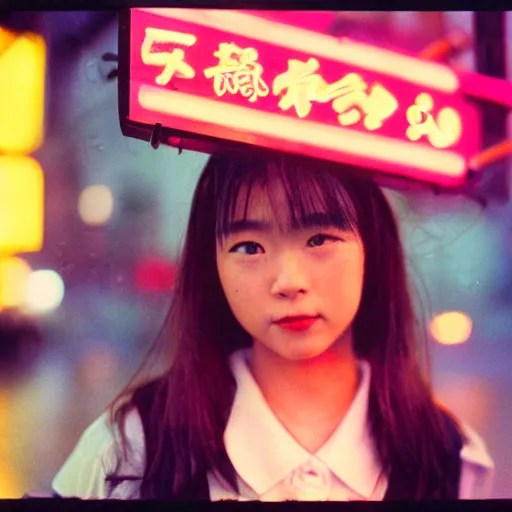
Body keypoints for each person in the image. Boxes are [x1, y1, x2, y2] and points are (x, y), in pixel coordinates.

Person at [50, 151, 494, 501]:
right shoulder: (132, 448)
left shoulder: (449, 456)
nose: (288, 282)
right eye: (248, 246)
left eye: (319, 239)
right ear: (213, 266)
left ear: (371, 248)